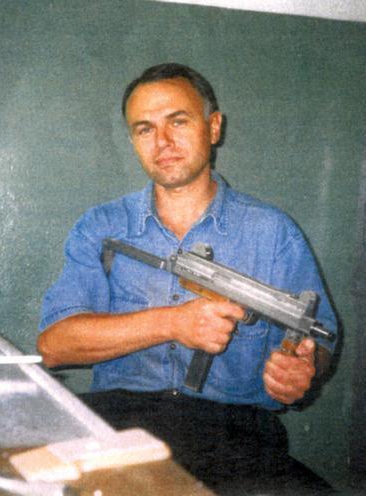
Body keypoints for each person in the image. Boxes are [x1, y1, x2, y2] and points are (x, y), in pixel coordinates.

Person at [37, 63, 337, 494]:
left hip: (237, 436)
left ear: (213, 128)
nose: (162, 141)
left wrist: (302, 369)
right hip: (118, 425)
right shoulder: (101, 226)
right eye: (145, 129)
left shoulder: (273, 232)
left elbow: (319, 338)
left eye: (178, 121)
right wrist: (174, 323)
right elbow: (54, 346)